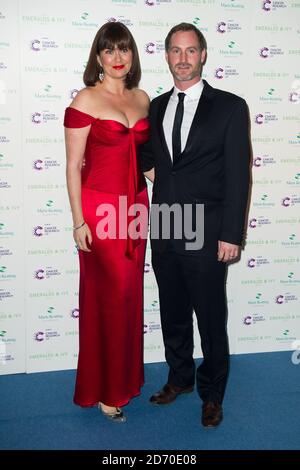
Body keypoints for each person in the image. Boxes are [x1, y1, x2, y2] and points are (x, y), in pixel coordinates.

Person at [141, 23, 250, 427]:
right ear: (166, 56)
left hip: (207, 232)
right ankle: (179, 378)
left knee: (209, 315)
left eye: (190, 50)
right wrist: (162, 180)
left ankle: (212, 393)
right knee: (172, 312)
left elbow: (239, 175)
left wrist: (230, 235)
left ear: (203, 55)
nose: (183, 58)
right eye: (175, 50)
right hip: (166, 226)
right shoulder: (154, 106)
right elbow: (146, 156)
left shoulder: (230, 106)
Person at [64, 22, 149, 423]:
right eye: (109, 51)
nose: (118, 58)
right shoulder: (86, 99)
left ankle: (125, 380)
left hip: (136, 209)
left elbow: (147, 161)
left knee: (130, 297)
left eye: (124, 50)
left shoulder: (143, 99)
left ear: (132, 55)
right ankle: (106, 391)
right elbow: (71, 166)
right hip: (100, 212)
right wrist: (78, 221)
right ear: (98, 57)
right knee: (109, 298)